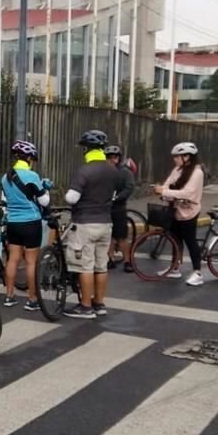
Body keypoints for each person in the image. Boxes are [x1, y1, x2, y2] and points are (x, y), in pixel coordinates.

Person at [63, 130, 122, 319]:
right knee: (101, 265)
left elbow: (72, 198)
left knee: (85, 266)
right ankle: (99, 303)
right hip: (106, 223)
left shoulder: (85, 170)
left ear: (87, 149)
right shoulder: (113, 170)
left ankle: (85, 307)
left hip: (85, 223)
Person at [0, 140, 51, 310]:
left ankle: (9, 296)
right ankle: (32, 299)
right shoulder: (32, 176)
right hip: (31, 222)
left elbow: (5, 201)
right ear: (29, 158)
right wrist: (45, 187)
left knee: (13, 259)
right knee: (31, 261)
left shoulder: (5, 177)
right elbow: (45, 201)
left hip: (13, 223)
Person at [155, 142, 205, 287]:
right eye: (174, 157)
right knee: (175, 239)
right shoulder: (177, 170)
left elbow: (187, 193)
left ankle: (197, 272)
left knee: (190, 241)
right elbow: (167, 184)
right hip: (176, 210)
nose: (175, 159)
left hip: (189, 211)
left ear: (187, 157)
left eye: (177, 157)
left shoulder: (197, 172)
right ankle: (174, 267)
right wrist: (161, 189)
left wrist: (164, 192)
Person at [105, 145, 136, 273]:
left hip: (118, 207)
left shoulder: (124, 172)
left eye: (115, 157)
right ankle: (109, 259)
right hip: (106, 208)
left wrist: (118, 197)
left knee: (122, 236)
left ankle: (128, 261)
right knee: (109, 236)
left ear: (119, 158)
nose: (113, 160)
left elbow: (129, 187)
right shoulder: (104, 171)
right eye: (109, 158)